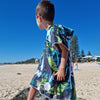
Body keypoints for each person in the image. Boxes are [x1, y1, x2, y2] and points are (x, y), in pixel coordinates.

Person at [27, 0, 77, 100]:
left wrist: (62, 69)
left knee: (63, 94)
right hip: (47, 70)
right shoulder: (51, 32)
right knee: (35, 82)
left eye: (36, 19)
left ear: (39, 18)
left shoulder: (54, 30)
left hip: (59, 71)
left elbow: (65, 50)